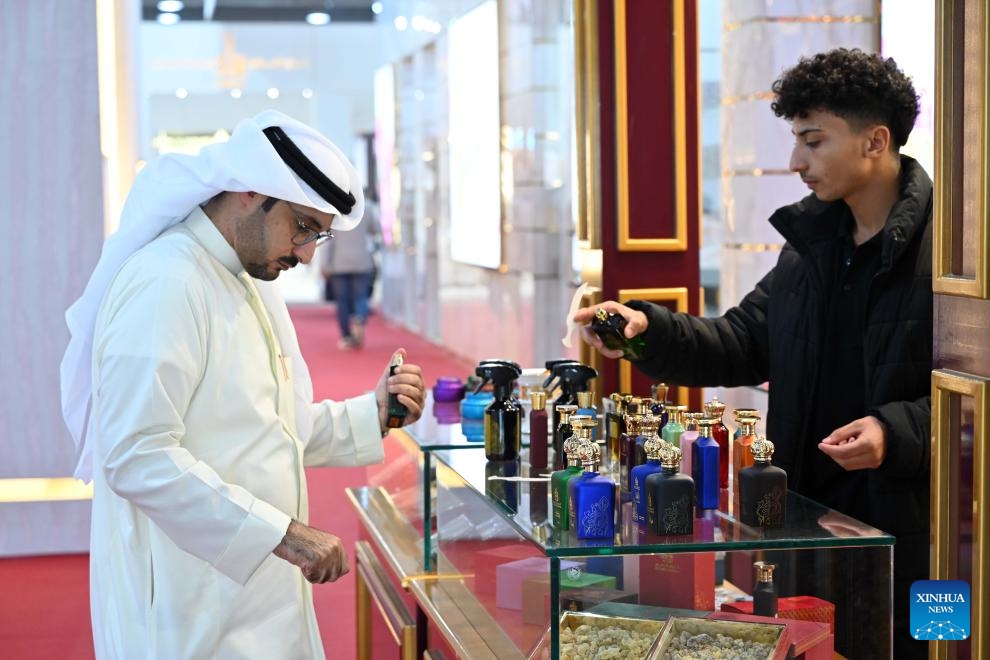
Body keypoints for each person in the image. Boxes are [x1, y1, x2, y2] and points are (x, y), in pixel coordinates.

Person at [575, 48, 930, 658]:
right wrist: (646, 330)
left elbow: (973, 390)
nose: (796, 162)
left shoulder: (951, 253)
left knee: (916, 645)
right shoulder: (813, 243)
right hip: (805, 522)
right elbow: (742, 344)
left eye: (813, 142)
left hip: (917, 529)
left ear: (876, 141)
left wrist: (894, 431)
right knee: (815, 645)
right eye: (796, 140)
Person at [58, 110, 427, 659]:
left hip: (253, 595)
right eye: (302, 226)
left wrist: (371, 413)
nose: (306, 254)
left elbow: (268, 426)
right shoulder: (167, 282)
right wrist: (283, 535)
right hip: (189, 604)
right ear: (251, 192)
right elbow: (135, 454)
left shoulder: (245, 278)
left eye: (318, 236)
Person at [320, 189, 380, 349]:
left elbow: (328, 241)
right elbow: (376, 230)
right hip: (362, 260)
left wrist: (325, 265)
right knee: (361, 297)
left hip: (339, 263)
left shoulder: (334, 209)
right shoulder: (366, 208)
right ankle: (360, 318)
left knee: (343, 301)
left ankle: (347, 336)